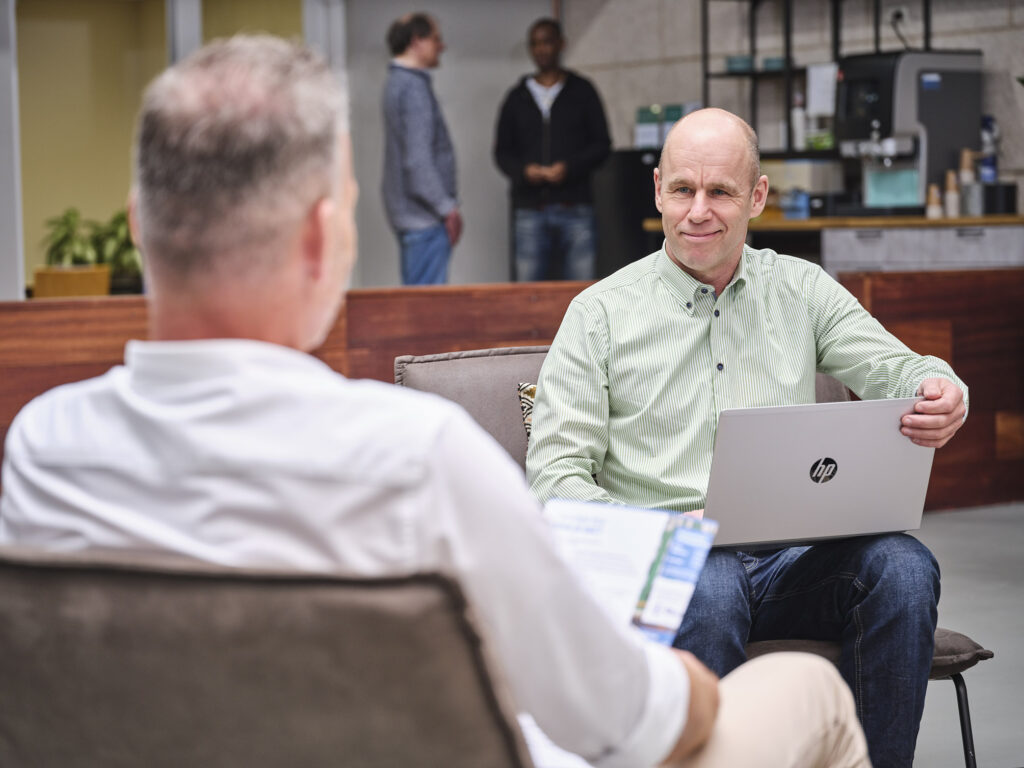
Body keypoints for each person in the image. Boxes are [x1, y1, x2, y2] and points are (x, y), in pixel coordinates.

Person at [0, 39, 869, 768]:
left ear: (139, 225)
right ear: (322, 238)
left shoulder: (43, 453)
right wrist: (690, 686)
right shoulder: (415, 458)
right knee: (809, 691)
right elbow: (625, 722)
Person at [527, 106, 969, 768]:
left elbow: (897, 369)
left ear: (757, 196)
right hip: (670, 563)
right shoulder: (598, 316)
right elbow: (555, 483)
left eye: (721, 192)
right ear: (658, 190)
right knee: (709, 579)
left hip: (794, 564)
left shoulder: (801, 289)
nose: (698, 211)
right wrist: (666, 528)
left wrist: (940, 387)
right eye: (683, 189)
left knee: (903, 568)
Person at [494, 18, 610, 282]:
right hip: (529, 209)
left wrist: (568, 169)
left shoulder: (582, 91)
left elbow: (602, 145)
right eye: (535, 44)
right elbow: (502, 152)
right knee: (528, 293)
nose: (541, 49)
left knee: (581, 291)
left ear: (560, 44)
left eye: (547, 42)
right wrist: (524, 171)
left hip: (576, 207)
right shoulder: (516, 97)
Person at [382, 12, 461, 285]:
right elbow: (417, 161)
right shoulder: (413, 87)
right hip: (424, 219)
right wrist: (447, 208)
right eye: (436, 39)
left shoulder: (397, 81)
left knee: (417, 301)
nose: (442, 46)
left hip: (411, 215)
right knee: (426, 306)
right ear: (417, 41)